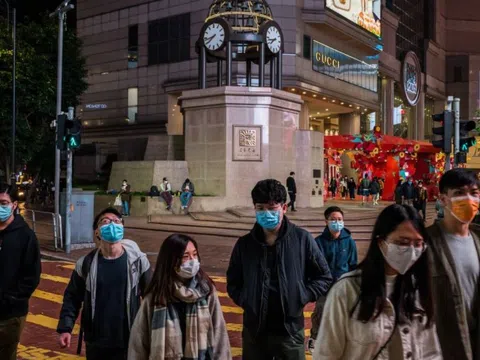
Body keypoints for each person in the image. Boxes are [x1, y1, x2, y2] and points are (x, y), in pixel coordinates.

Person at [313, 204, 442, 359]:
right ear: (381, 242)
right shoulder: (346, 291)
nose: (411, 250)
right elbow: (326, 354)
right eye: (402, 242)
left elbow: (431, 352)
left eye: (418, 244)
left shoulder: (419, 290)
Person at [227, 179, 332, 360]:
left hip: (290, 331)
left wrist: (303, 295)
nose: (266, 213)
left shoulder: (302, 239)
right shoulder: (244, 245)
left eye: (272, 208)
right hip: (254, 332)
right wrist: (246, 300)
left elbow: (324, 276)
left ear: (284, 208)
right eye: (260, 208)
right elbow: (233, 281)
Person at [57, 207, 152, 360]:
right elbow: (72, 297)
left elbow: (152, 297)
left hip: (129, 339)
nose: (112, 225)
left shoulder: (138, 262)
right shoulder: (85, 264)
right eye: (105, 222)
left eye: (116, 221)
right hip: (96, 342)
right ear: (97, 232)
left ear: (122, 228)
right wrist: (65, 328)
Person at [128, 234, 231, 359]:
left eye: (194, 254)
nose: (192, 260)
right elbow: (139, 342)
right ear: (171, 260)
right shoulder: (156, 296)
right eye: (185, 256)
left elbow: (219, 335)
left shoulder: (205, 291)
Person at [427, 168, 480, 359]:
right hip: (443, 344)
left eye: (474, 193)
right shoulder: (425, 243)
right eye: (459, 193)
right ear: (443, 200)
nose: (468, 200)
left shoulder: (478, 240)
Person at [308, 206, 357, 353]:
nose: (337, 222)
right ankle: (314, 339)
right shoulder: (318, 242)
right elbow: (314, 265)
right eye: (333, 219)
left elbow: (353, 264)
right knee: (320, 312)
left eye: (340, 219)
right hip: (324, 287)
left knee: (344, 314)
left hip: (343, 286)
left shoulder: (349, 242)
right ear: (326, 221)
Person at [0, 183, 41, 360]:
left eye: (3, 203)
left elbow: (32, 275)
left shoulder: (26, 236)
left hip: (10, 314)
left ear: (14, 205)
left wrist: (12, 299)